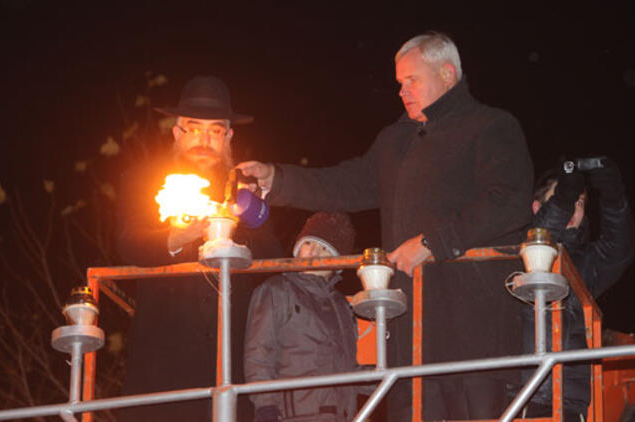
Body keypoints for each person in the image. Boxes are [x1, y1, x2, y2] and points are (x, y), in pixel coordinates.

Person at [238, 32, 533, 420]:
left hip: (473, 332)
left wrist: (433, 242)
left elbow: (509, 200)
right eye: (398, 83)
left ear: (448, 74)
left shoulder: (490, 126)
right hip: (409, 331)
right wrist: (278, 180)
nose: (402, 91)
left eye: (412, 80)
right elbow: (345, 184)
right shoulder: (395, 141)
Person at [116, 75, 281, 421]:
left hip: (232, 372)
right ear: (177, 133)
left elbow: (274, 262)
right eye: (194, 129)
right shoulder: (146, 183)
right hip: (162, 374)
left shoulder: (245, 190)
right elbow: (127, 243)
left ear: (229, 137)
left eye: (215, 131)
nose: (204, 141)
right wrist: (174, 239)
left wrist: (252, 217)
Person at [521, 157, 635, 421]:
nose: (572, 207)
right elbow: (542, 237)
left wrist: (613, 194)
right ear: (537, 207)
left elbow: (620, 249)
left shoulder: (584, 263)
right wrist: (566, 195)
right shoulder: (517, 250)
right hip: (520, 394)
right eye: (561, 198)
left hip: (570, 399)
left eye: (579, 203)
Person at [244, 211, 361, 422]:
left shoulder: (343, 306)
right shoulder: (277, 290)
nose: (314, 253)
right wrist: (265, 406)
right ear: (298, 249)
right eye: (309, 244)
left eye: (325, 249)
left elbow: (349, 366)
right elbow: (259, 354)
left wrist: (390, 378)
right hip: (292, 415)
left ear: (338, 263)